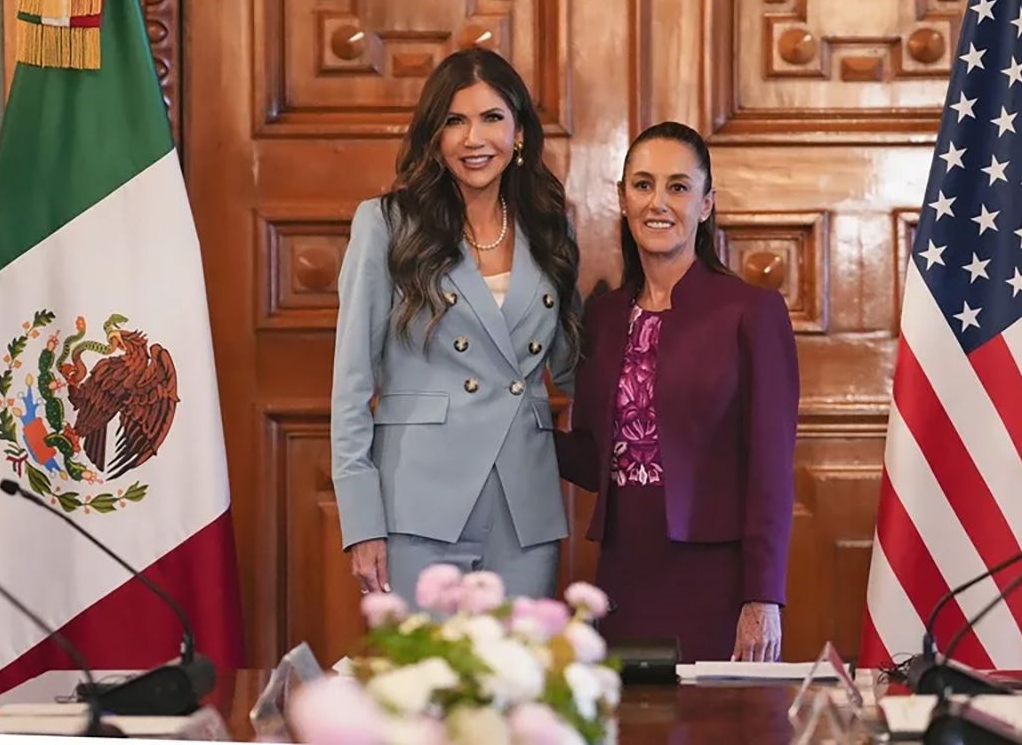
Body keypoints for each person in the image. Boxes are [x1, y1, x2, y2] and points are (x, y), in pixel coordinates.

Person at [331, 48, 581, 605]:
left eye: (492, 118)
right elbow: (351, 383)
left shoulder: (550, 229)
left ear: (519, 133)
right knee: (425, 664)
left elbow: (573, 365)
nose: (474, 139)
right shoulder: (388, 223)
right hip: (420, 503)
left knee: (522, 663)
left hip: (524, 508)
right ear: (434, 136)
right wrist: (362, 520)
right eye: (454, 120)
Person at [556, 121, 799, 661]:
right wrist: (513, 422)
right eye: (643, 185)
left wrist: (763, 598)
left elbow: (770, 471)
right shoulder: (602, 317)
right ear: (622, 199)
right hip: (623, 573)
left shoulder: (752, 312)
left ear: (706, 204)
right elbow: (598, 457)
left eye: (679, 187)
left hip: (717, 579)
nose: (658, 202)